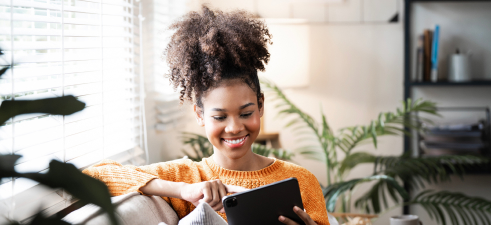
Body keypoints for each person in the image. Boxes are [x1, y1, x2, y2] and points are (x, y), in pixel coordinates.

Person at [82, 5, 330, 225]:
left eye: (246, 113)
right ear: (200, 115)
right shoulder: (188, 177)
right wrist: (184, 190)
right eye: (220, 117)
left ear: (261, 105)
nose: (234, 127)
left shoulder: (301, 181)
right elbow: (94, 176)